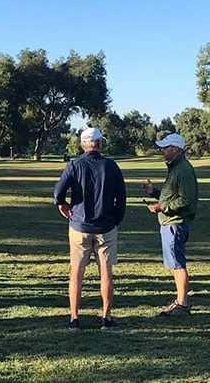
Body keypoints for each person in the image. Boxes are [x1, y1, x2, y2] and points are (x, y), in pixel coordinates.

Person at [53, 128, 127, 330]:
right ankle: (106, 317)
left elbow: (59, 191)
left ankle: (74, 318)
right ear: (100, 144)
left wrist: (62, 204)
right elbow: (121, 197)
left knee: (76, 272)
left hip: (79, 226)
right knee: (106, 272)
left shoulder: (74, 165)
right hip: (106, 227)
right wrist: (116, 220)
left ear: (83, 144)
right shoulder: (111, 166)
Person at [143, 133, 199, 316]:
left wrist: (161, 207)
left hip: (175, 223)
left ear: (175, 149)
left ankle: (182, 304)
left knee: (178, 264)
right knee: (175, 264)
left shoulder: (183, 169)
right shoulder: (175, 168)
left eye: (165, 148)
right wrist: (154, 193)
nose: (162, 151)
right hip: (170, 222)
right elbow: (172, 195)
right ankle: (179, 301)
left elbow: (185, 200)